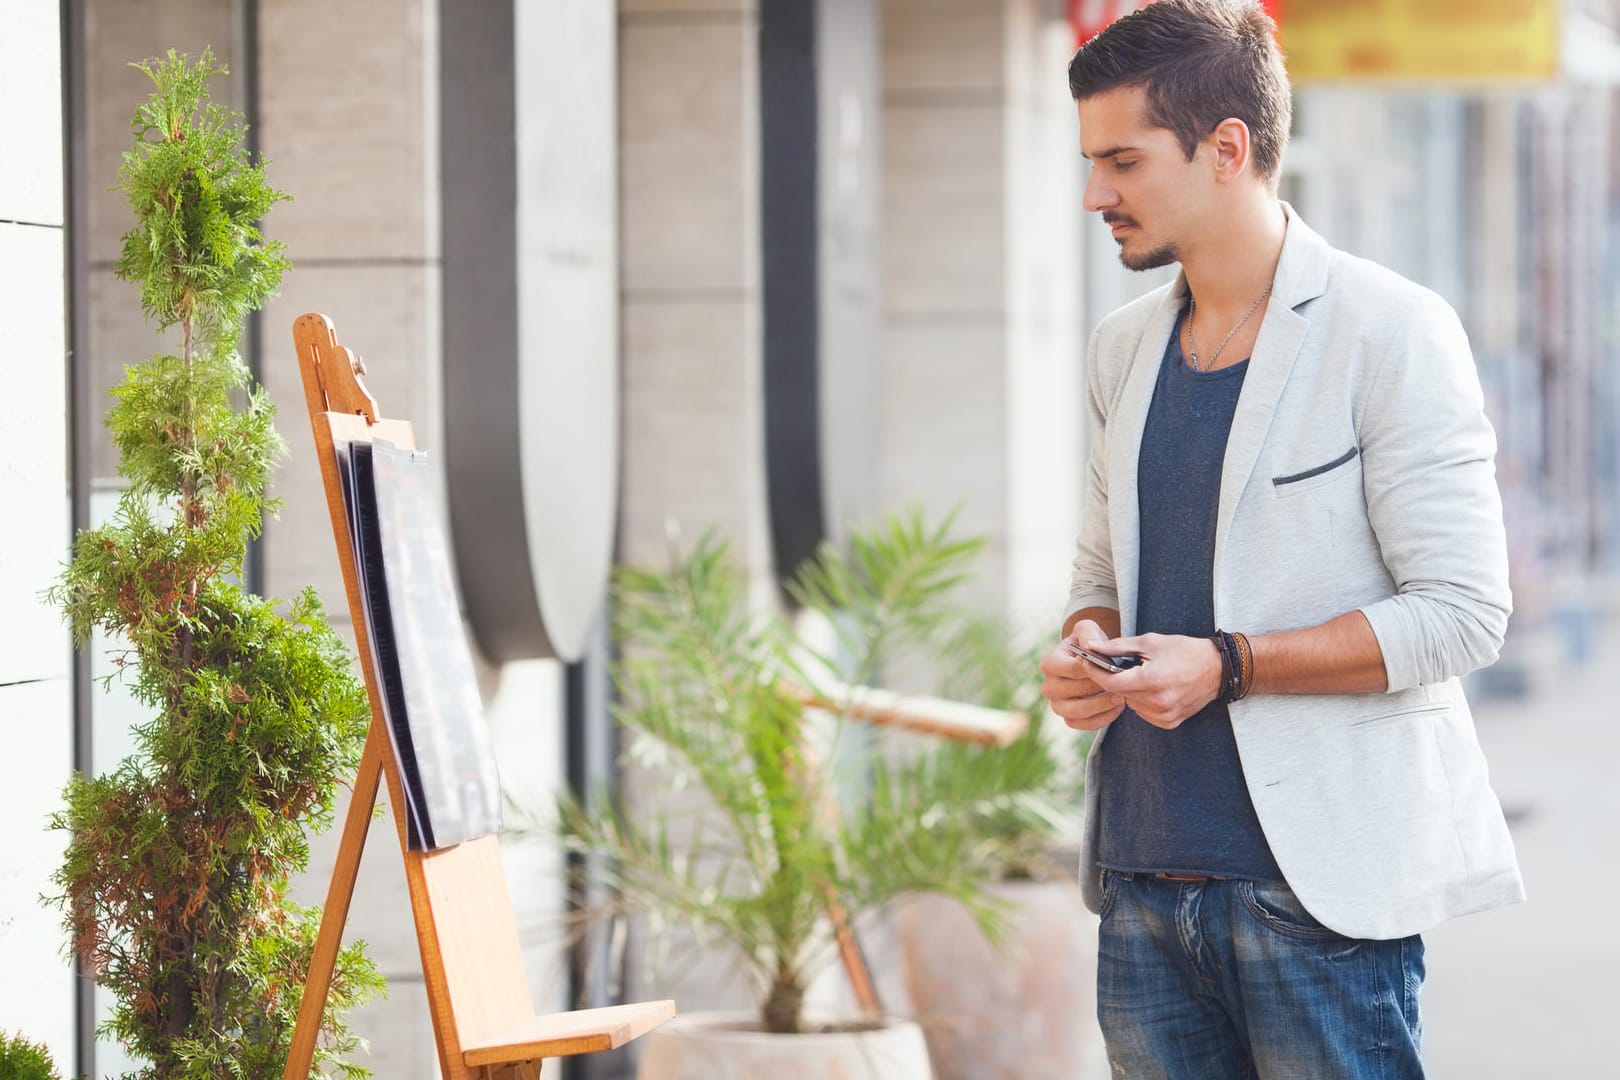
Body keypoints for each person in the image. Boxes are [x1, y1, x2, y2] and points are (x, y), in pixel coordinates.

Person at [1038, 2, 1523, 1076]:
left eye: (1121, 161)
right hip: (1141, 886)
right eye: (1089, 162)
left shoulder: (1390, 331)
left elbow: (1462, 613)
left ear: (1227, 149)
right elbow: (1098, 574)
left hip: (1319, 897)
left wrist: (1230, 666)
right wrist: (1086, 645)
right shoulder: (1123, 349)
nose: (1094, 195)